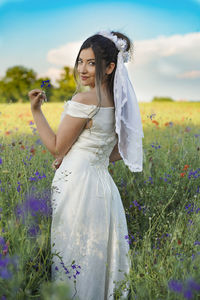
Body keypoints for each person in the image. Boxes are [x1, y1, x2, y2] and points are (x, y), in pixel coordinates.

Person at [28, 30, 144, 300]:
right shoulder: (117, 101)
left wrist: (36, 112)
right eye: (80, 61)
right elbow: (120, 150)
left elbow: (56, 146)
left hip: (78, 188)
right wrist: (86, 156)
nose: (83, 68)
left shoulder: (86, 99)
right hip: (103, 189)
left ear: (110, 67)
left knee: (72, 257)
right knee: (94, 258)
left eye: (92, 63)